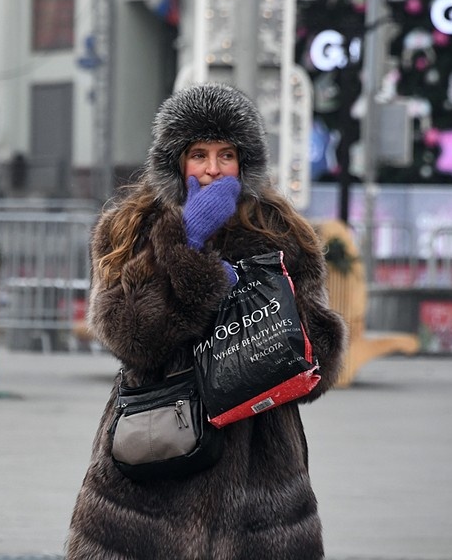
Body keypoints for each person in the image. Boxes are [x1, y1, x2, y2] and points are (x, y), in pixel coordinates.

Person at [64, 83, 347, 560]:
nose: (213, 169)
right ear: (176, 161)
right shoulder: (130, 227)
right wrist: (185, 244)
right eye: (199, 154)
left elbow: (319, 357)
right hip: (153, 457)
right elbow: (129, 335)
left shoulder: (281, 231)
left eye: (226, 154)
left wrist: (261, 297)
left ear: (245, 161)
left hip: (260, 470)